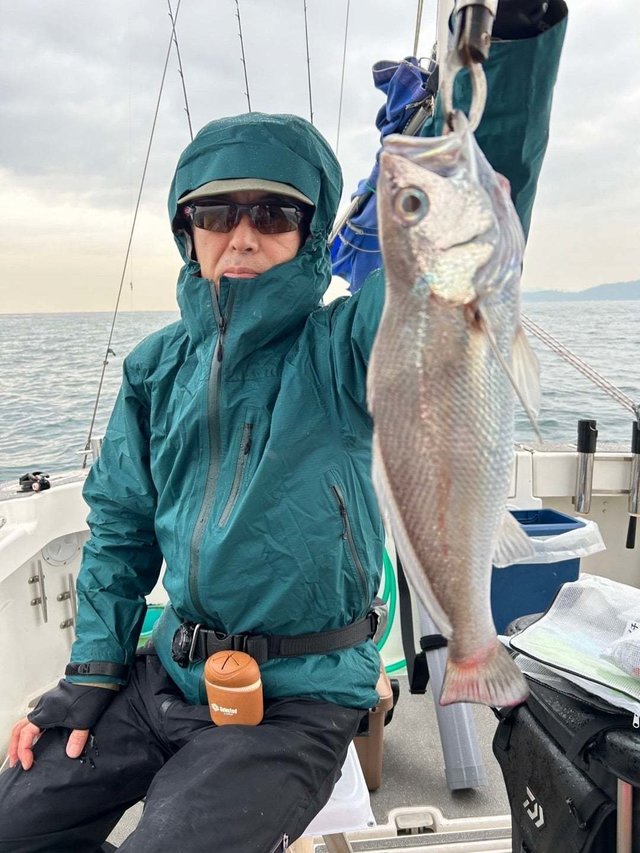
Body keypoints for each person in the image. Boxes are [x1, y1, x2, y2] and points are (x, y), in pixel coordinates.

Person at [0, 3, 567, 851]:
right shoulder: (154, 368)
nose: (242, 234)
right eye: (216, 212)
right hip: (168, 671)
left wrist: (511, 49)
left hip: (301, 694)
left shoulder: (349, 344)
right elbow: (118, 531)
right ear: (185, 231)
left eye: (273, 214)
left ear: (309, 234)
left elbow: (460, 246)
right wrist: (89, 672)